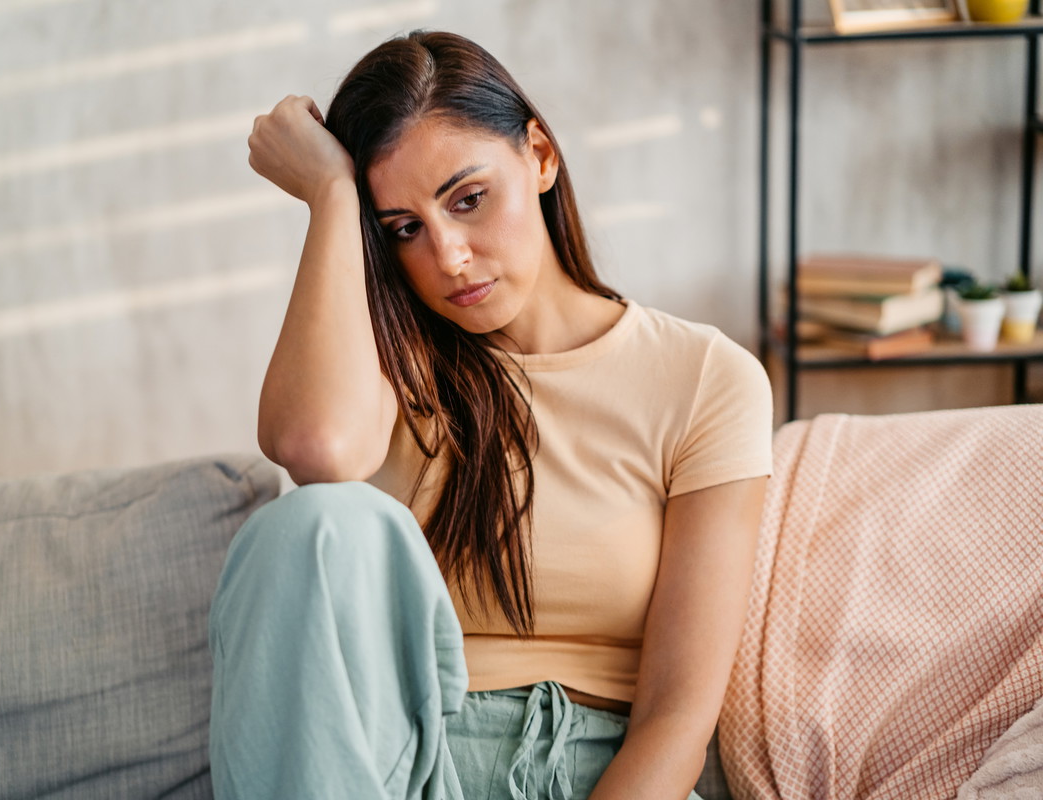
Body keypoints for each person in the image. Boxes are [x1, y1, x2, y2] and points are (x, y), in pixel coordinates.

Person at [209, 29, 772, 800]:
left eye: (468, 200)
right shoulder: (386, 367)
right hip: (394, 769)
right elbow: (316, 448)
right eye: (403, 228)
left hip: (599, 774)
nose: (448, 257)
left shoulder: (705, 378)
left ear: (539, 156)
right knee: (302, 525)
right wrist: (333, 195)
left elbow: (678, 717)